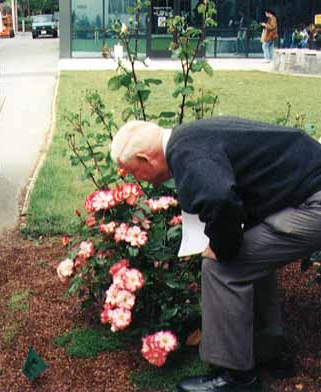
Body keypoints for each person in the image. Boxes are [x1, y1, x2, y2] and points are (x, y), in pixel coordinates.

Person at [110, 117, 321, 392]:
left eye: (133, 171)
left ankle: (237, 378)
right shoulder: (187, 137)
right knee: (249, 253)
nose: (136, 179)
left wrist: (222, 248)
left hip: (312, 203)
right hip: (305, 189)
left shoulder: (187, 155)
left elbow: (220, 200)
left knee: (222, 268)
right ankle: (270, 352)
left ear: (145, 159)